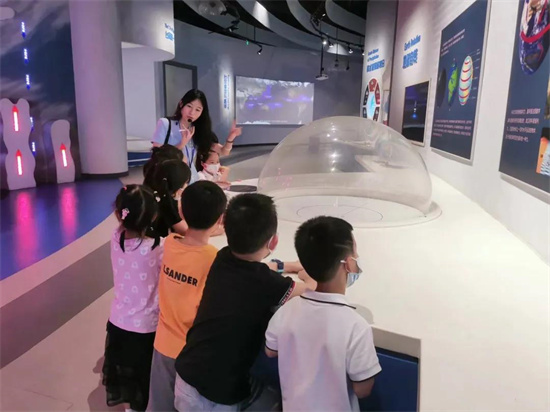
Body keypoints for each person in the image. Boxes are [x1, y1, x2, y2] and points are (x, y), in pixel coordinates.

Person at [173, 193, 315, 411]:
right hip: (220, 393)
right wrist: (307, 275)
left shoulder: (222, 258)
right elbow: (310, 290)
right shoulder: (268, 284)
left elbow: (257, 269)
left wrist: (287, 266)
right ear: (274, 241)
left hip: (187, 376)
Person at [265, 216, 381, 411]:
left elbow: (270, 350)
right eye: (355, 251)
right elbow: (363, 389)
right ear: (348, 264)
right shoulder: (356, 327)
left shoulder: (286, 311)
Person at [147, 181, 227, 412]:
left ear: (181, 211)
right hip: (193, 350)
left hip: (163, 343)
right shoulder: (214, 258)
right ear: (220, 219)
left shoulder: (169, 243)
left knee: (159, 406)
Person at [102, 185, 163, 412]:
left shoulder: (115, 237)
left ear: (120, 214)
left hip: (118, 322)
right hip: (146, 328)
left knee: (126, 376)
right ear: (154, 217)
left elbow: (124, 223)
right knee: (144, 377)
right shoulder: (158, 247)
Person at [151, 89, 242, 182]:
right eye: (189, 106)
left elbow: (223, 151)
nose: (192, 113)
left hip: (191, 180)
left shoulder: (197, 130)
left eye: (197, 110)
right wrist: (181, 144)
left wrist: (231, 137)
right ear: (181, 104)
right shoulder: (165, 124)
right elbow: (157, 154)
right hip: (170, 179)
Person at [144, 159, 191, 237]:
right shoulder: (166, 202)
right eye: (186, 182)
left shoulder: (154, 194)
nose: (186, 186)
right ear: (178, 184)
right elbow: (186, 231)